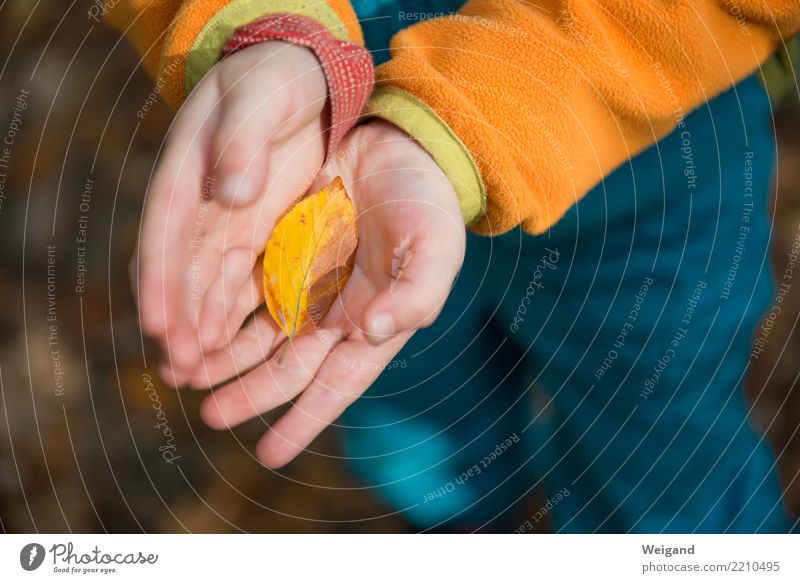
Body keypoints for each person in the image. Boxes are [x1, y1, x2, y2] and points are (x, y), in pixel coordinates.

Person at [108, 0, 800, 532]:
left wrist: (465, 119)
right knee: (417, 434)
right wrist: (263, 26)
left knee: (663, 463)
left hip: (651, 185)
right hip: (346, 180)